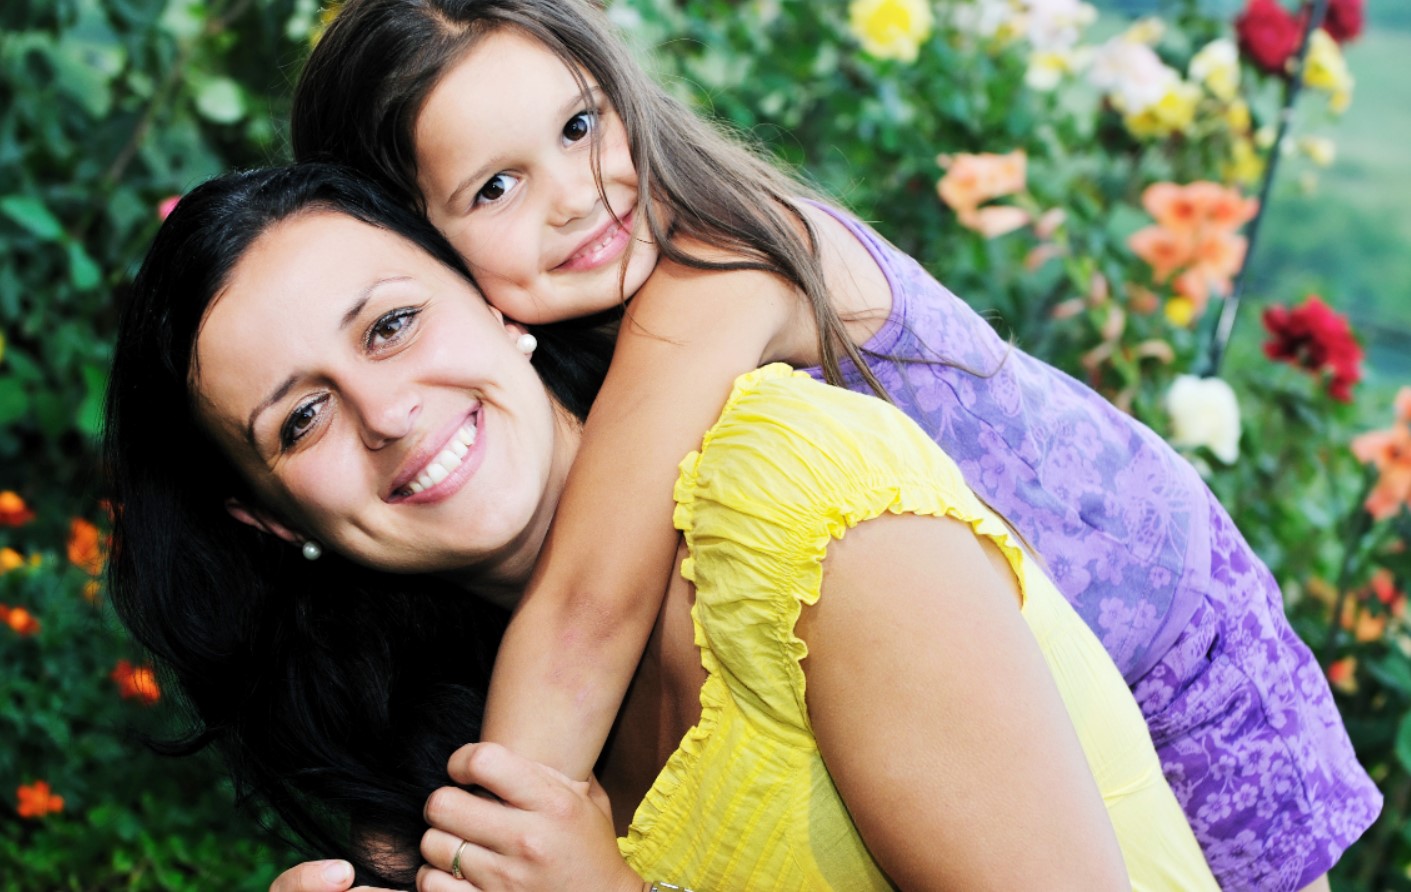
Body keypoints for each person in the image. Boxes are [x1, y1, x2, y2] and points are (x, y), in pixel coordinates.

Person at [288, 1, 1377, 888]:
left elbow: (586, 609)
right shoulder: (590, 332)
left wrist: (475, 866)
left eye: (578, 126)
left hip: (1169, 639)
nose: (578, 197)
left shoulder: (715, 265)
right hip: (1017, 670)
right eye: (495, 187)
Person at [106, 162, 1218, 890]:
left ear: (492, 302)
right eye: (301, 419)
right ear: (268, 519)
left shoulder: (789, 499)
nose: (386, 412)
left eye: (392, 324)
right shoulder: (443, 748)